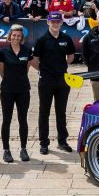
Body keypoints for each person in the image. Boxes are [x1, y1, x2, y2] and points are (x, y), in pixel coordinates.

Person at [31, 12, 75, 154]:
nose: (55, 24)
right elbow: (34, 60)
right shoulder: (42, 40)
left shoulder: (66, 38)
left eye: (58, 22)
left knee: (61, 112)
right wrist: (44, 70)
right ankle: (44, 142)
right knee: (44, 112)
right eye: (52, 22)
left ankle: (62, 141)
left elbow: (71, 56)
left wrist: (61, 67)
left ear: (61, 23)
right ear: (48, 22)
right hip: (46, 81)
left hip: (62, 80)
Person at [0, 24, 35, 163]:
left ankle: (23, 149)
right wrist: (10, 80)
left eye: (19, 35)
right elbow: (1, 71)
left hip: (23, 89)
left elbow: (26, 68)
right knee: (6, 120)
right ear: (10, 35)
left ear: (21, 37)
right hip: (7, 89)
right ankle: (6, 150)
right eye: (14, 35)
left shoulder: (26, 51)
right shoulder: (3, 51)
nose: (16, 37)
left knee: (22, 120)